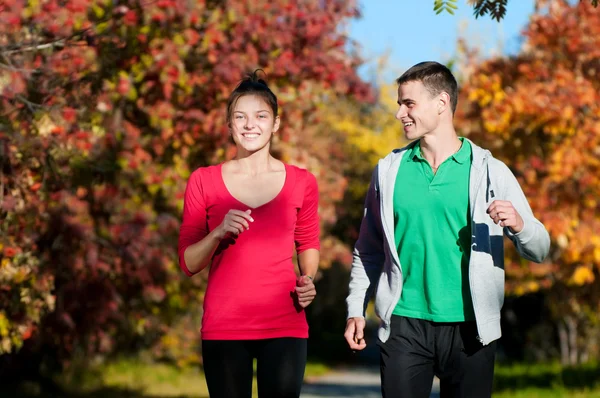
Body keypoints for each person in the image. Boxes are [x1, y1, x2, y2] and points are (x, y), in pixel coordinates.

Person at [344, 61, 550, 398]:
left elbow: (541, 249)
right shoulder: (388, 171)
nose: (399, 113)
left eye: (408, 103)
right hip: (404, 323)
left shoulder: (489, 171)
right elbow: (368, 249)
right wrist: (356, 309)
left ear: (442, 103)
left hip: (471, 327)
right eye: (399, 104)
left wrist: (519, 224)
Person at [178, 70, 320, 398]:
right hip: (224, 325)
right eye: (239, 117)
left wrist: (308, 278)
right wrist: (217, 233)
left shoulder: (302, 182)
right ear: (229, 125)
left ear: (276, 123)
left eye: (260, 116)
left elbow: (308, 241)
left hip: (285, 323)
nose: (249, 124)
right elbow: (188, 263)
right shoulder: (203, 180)